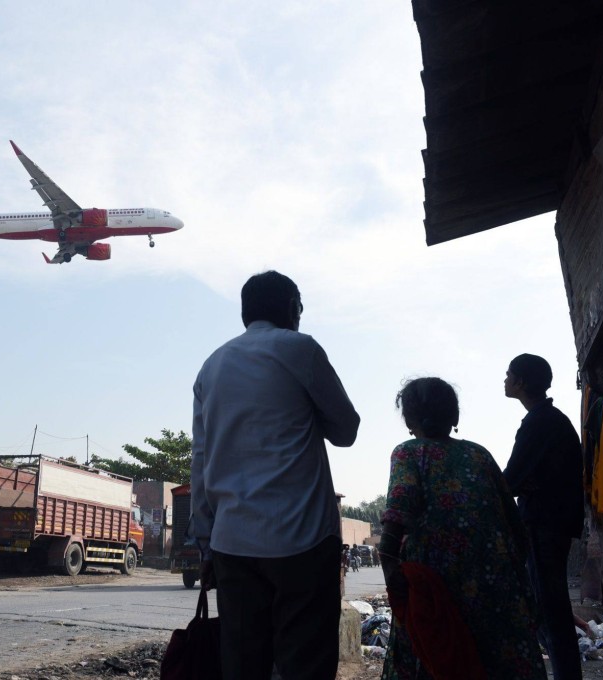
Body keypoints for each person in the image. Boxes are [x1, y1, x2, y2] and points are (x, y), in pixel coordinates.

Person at [190, 270, 360, 680]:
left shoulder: (210, 367)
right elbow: (346, 430)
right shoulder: (300, 349)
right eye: (300, 307)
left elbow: (200, 459)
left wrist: (205, 544)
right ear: (291, 309)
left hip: (232, 542)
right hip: (302, 539)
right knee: (305, 662)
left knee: (244, 663)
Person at [380, 377, 545, 680]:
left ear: (409, 420)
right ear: (454, 417)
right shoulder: (479, 455)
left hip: (436, 589)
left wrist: (391, 569)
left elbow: (397, 515)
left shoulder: (408, 452)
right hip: (496, 586)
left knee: (435, 659)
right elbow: (514, 525)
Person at [503, 354, 585, 680]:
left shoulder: (540, 422)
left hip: (544, 525)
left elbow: (509, 480)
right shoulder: (548, 419)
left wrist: (522, 483)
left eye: (509, 375)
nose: (505, 380)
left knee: (551, 612)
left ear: (521, 382)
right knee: (549, 609)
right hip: (550, 523)